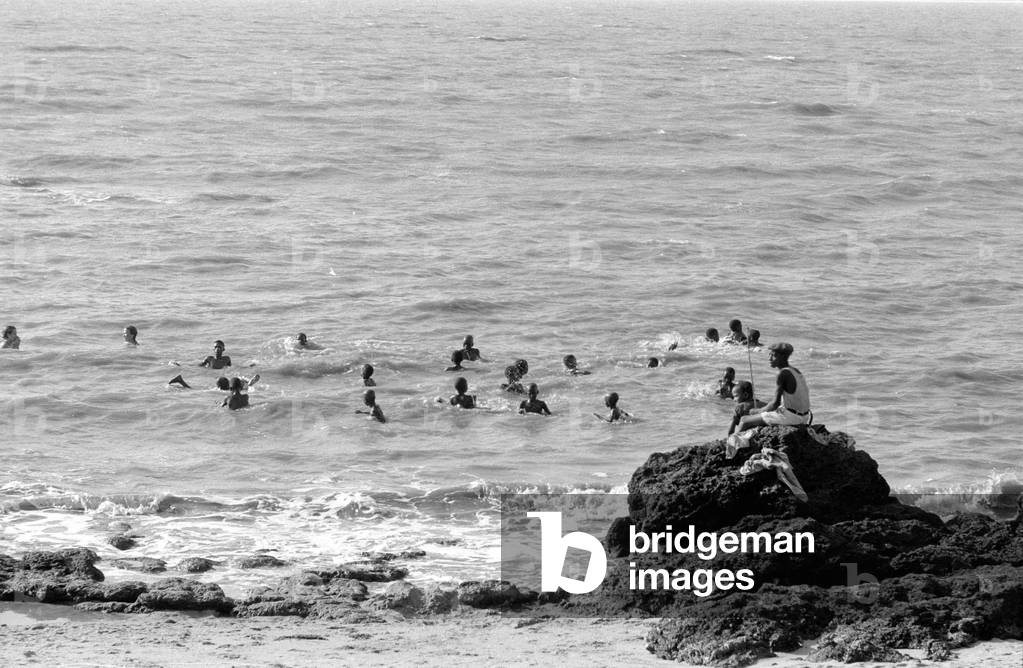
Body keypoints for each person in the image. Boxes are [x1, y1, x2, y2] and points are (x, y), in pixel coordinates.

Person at [737, 342, 811, 431]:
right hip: (804, 416)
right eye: (769, 355)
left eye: (773, 356)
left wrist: (757, 411)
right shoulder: (795, 370)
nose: (770, 358)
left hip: (792, 417)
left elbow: (775, 404)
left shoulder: (782, 374)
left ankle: (733, 444)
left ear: (783, 357)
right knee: (759, 414)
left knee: (744, 420)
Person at [170, 374, 258, 390]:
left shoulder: (222, 389)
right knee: (192, 389)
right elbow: (246, 387)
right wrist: (250, 383)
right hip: (243, 385)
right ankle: (180, 381)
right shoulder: (230, 389)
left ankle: (181, 381)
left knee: (193, 389)